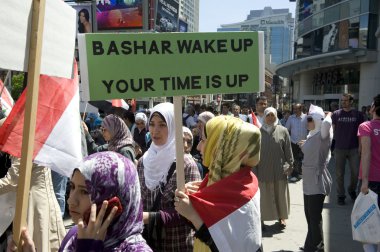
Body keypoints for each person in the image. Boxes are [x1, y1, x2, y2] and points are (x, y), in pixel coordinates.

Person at [10, 152, 153, 252]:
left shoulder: (136, 249)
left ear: (114, 202)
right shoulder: (75, 234)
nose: (71, 200)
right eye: (71, 187)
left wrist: (88, 248)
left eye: (85, 191)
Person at [174, 116, 262, 252]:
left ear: (222, 148)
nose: (198, 147)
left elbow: (228, 247)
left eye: (204, 140)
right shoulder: (232, 179)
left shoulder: (244, 193)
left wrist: (193, 215)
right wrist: (195, 197)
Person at [137, 102, 201, 251]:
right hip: (148, 243)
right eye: (152, 124)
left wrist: (150, 218)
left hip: (177, 243)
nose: (155, 130)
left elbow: (193, 210)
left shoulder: (185, 163)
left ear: (173, 126)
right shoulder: (143, 162)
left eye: (162, 125)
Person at [1, 158, 66, 252]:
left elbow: (12, 181)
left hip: (35, 204)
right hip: (37, 200)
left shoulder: (26, 145)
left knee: (38, 241)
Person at [300, 105, 333, 252]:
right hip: (308, 182)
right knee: (310, 217)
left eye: (309, 119)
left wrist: (329, 114)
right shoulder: (312, 135)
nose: (307, 121)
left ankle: (319, 248)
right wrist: (304, 145)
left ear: (317, 120)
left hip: (317, 182)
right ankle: (309, 246)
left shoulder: (323, 135)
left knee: (314, 217)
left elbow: (326, 123)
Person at [256, 107, 293, 229]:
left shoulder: (283, 131)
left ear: (276, 116)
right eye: (268, 115)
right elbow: (254, 153)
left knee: (280, 196)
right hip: (262, 170)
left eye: (273, 115)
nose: (270, 118)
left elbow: (288, 150)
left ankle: (282, 218)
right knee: (263, 197)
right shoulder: (257, 132)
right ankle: (260, 219)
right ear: (264, 117)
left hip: (279, 170)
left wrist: (290, 164)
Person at [332, 93, 364, 205]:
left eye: (346, 100)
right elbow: (333, 131)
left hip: (354, 148)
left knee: (355, 173)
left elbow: (361, 133)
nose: (343, 102)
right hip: (339, 148)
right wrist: (332, 146)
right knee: (339, 174)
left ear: (351, 101)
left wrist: (361, 147)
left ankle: (351, 189)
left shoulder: (358, 115)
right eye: (342, 100)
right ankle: (341, 195)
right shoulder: (336, 114)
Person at [358, 94, 380, 252]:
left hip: (371, 181)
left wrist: (364, 181)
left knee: (366, 223)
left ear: (373, 108)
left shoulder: (365, 126)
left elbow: (365, 153)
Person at [286, 103, 308, 182]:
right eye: (294, 109)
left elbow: (310, 129)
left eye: (296, 109)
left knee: (303, 159)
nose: (294, 110)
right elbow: (287, 129)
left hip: (304, 142)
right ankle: (295, 174)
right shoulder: (291, 118)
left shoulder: (306, 117)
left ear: (301, 109)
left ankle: (301, 173)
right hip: (293, 142)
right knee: (294, 159)